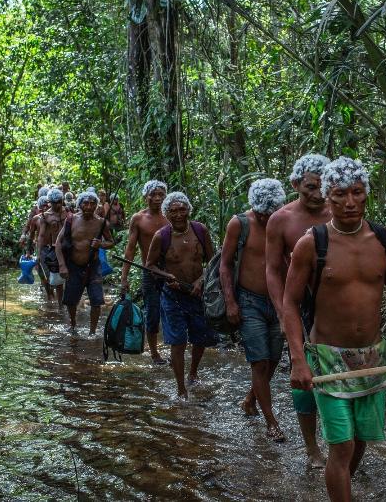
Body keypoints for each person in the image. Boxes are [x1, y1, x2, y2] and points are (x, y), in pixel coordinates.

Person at [283, 157, 386, 502]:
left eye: (357, 192)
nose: (350, 202)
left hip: (372, 358)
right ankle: (339, 483)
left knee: (360, 441)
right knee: (340, 446)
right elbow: (290, 303)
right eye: (340, 194)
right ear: (327, 197)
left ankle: (339, 486)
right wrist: (299, 359)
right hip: (328, 357)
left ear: (367, 195)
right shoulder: (311, 244)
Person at [264, 153, 331, 468]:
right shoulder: (281, 219)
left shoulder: (340, 210)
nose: (317, 195)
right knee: (302, 370)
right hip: (300, 304)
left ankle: (340, 438)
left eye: (322, 187)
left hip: (335, 304)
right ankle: (311, 448)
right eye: (310, 188)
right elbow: (273, 269)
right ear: (295, 185)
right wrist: (281, 311)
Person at [220, 179, 287, 441]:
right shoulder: (240, 224)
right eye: (260, 213)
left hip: (278, 301)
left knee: (271, 360)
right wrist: (230, 301)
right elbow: (225, 264)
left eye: (269, 213)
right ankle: (271, 422)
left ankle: (250, 399)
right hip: (249, 301)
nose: (265, 217)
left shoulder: (284, 222)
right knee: (259, 361)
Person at [145, 192, 217, 399]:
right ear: (166, 213)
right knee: (177, 341)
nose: (178, 215)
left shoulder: (200, 230)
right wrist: (167, 275)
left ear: (188, 210)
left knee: (201, 337)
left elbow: (213, 262)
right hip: (172, 296)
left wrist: (201, 281)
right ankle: (181, 389)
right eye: (173, 211)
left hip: (198, 295)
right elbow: (150, 266)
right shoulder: (161, 236)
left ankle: (193, 372)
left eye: (182, 209)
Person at [120, 180, 170, 364]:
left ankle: (174, 349)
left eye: (161, 195)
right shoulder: (138, 219)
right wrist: (124, 277)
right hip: (149, 273)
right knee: (153, 312)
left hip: (171, 273)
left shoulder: (171, 216)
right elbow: (130, 249)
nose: (157, 198)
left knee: (172, 312)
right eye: (153, 195)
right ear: (145, 197)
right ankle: (155, 353)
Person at [55, 188, 115, 334]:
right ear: (80, 204)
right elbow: (58, 242)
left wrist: (101, 244)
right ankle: (73, 324)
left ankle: (92, 332)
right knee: (70, 299)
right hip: (74, 266)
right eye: (86, 203)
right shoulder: (71, 220)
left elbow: (111, 242)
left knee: (96, 300)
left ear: (96, 205)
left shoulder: (101, 223)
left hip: (93, 267)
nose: (89, 207)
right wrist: (62, 266)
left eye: (92, 204)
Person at [37, 188, 69, 304]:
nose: (58, 205)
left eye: (60, 201)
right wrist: (39, 254)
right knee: (58, 280)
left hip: (69, 248)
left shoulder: (68, 212)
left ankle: (68, 303)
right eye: (55, 203)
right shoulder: (45, 216)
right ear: (50, 202)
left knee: (70, 278)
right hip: (55, 250)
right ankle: (60, 306)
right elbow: (41, 236)